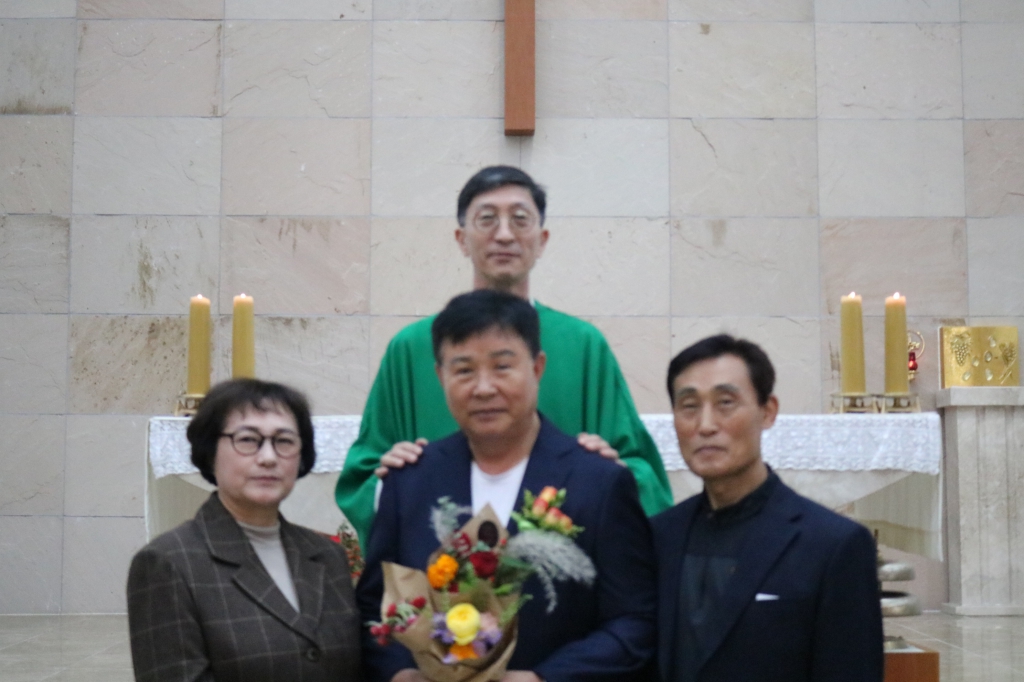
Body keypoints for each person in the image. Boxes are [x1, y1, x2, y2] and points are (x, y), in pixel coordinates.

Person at [336, 165, 672, 548]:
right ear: (462, 239)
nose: (505, 234)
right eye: (487, 219)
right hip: (441, 572)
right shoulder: (412, 347)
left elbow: (643, 475)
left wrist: (614, 475)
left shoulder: (583, 345)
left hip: (563, 563)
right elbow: (362, 478)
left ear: (542, 240)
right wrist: (392, 481)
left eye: (520, 219)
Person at [357, 289, 657, 682]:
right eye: (464, 370)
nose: (483, 388)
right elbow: (372, 608)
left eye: (502, 367)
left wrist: (543, 679)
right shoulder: (410, 480)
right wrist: (400, 673)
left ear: (537, 368)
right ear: (440, 376)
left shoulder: (598, 482)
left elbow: (634, 622)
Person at [651, 335, 883, 682]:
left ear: (767, 411)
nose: (705, 425)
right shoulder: (659, 535)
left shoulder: (833, 546)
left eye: (725, 402)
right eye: (689, 406)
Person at [126, 379, 362, 682]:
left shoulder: (328, 556)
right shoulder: (169, 563)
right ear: (210, 450)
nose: (268, 457)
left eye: (284, 441)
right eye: (248, 440)